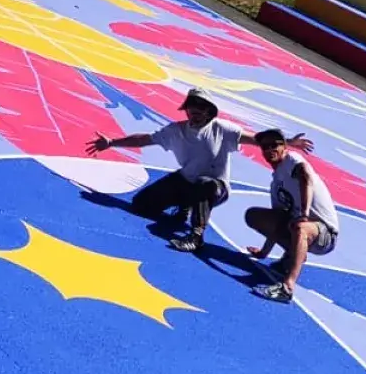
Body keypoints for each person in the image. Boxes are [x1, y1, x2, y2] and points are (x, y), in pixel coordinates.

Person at [83, 88, 309, 251]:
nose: (196, 111)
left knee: (204, 184)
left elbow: (256, 139)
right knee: (141, 205)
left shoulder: (222, 129)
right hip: (186, 181)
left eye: (202, 107)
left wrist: (287, 142)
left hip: (214, 187)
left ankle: (196, 234)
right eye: (192, 107)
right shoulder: (176, 130)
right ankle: (184, 206)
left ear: (211, 112)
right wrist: (112, 143)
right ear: (186, 110)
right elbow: (145, 139)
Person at [243, 128, 339, 304]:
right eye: (265, 146)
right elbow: (278, 221)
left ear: (285, 147)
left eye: (275, 145)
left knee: (300, 227)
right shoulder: (276, 183)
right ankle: (291, 256)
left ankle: (287, 287)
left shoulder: (292, 160)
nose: (270, 149)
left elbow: (306, 178)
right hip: (300, 228)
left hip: (325, 234)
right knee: (254, 216)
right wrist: (264, 252)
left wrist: (304, 212)